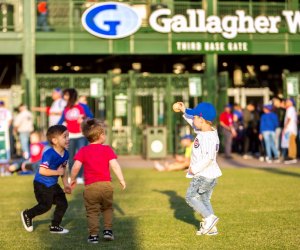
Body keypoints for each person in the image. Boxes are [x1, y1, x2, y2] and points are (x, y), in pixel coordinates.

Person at [70, 118, 126, 244]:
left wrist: (72, 179)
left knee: (92, 211)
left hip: (91, 187)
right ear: (100, 136)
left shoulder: (83, 151)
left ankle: (93, 235)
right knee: (107, 208)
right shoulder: (107, 149)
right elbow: (115, 165)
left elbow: (75, 167)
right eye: (104, 133)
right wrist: (121, 179)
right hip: (106, 185)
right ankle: (107, 231)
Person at [173, 101, 222, 236]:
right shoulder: (206, 131)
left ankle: (209, 218)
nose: (193, 119)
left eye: (195, 117)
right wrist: (184, 111)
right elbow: (193, 122)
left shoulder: (207, 138)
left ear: (202, 119)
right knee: (204, 200)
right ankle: (212, 228)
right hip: (211, 175)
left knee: (190, 197)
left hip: (203, 175)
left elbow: (209, 158)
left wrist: (193, 169)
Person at [21, 125, 71, 233]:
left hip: (53, 184)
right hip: (41, 184)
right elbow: (42, 171)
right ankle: (27, 214)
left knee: (63, 203)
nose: (68, 139)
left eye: (68, 136)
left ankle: (55, 226)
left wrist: (66, 184)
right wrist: (57, 172)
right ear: (55, 140)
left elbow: (64, 171)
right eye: (65, 137)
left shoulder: (66, 154)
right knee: (45, 205)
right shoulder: (49, 154)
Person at [58, 88, 87, 184]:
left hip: (81, 135)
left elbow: (91, 116)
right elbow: (61, 120)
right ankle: (72, 177)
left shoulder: (82, 106)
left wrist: (84, 119)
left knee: (81, 157)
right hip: (70, 136)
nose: (64, 97)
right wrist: (54, 130)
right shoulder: (66, 108)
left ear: (71, 96)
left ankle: (80, 177)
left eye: (66, 95)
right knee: (70, 158)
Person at [282, 98, 298, 164]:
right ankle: (291, 156)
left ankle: (292, 157)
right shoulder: (292, 109)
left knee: (291, 143)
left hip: (290, 129)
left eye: (288, 101)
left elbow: (288, 118)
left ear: (291, 103)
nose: (286, 102)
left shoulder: (290, 109)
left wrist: (285, 127)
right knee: (291, 143)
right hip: (292, 129)